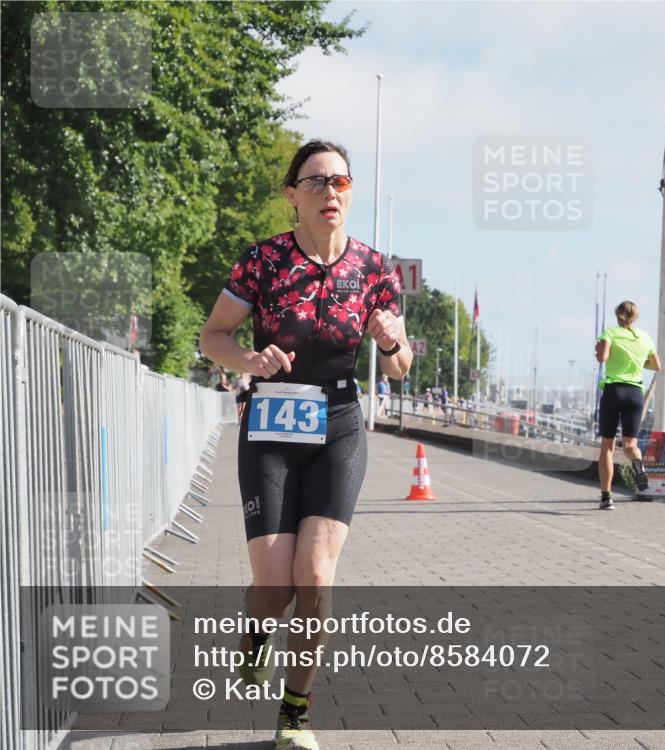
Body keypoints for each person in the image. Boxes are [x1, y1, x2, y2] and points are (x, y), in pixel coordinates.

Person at [199, 139, 411, 750]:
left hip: (340, 422)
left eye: (340, 182)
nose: (330, 193)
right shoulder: (262, 261)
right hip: (271, 421)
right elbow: (213, 335)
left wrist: (392, 342)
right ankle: (258, 629)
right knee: (275, 585)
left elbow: (398, 370)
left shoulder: (375, 270)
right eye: (316, 182)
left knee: (314, 576)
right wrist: (247, 357)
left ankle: (296, 714)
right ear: (292, 195)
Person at [594, 300, 660, 510]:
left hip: (614, 390)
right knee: (631, 445)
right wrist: (637, 362)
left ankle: (606, 497)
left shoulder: (610, 333)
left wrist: (599, 350)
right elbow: (656, 365)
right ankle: (637, 464)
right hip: (635, 393)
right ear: (635, 316)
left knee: (607, 447)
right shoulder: (645, 337)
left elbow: (602, 358)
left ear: (617, 316)